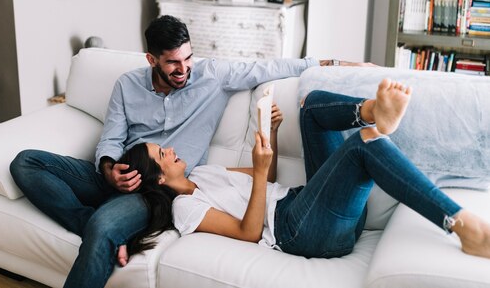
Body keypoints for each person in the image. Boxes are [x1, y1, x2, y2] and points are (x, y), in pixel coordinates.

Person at [9, 15, 372, 288]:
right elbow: (112, 137)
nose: (183, 69)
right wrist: (107, 167)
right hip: (122, 171)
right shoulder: (127, 85)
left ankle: (102, 227)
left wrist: (332, 65)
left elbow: (270, 66)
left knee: (104, 227)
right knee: (26, 163)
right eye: (172, 63)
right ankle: (85, 220)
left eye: (187, 59)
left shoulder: (211, 76)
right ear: (152, 60)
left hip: (157, 190)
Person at [117, 79, 490, 261]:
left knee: (310, 107)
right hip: (300, 232)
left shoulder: (202, 173)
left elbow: (270, 177)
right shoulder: (184, 209)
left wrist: (271, 135)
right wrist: (261, 172)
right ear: (160, 177)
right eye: (161, 154)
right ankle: (461, 225)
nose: (169, 149)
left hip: (307, 204)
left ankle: (372, 111)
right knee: (362, 144)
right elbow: (248, 232)